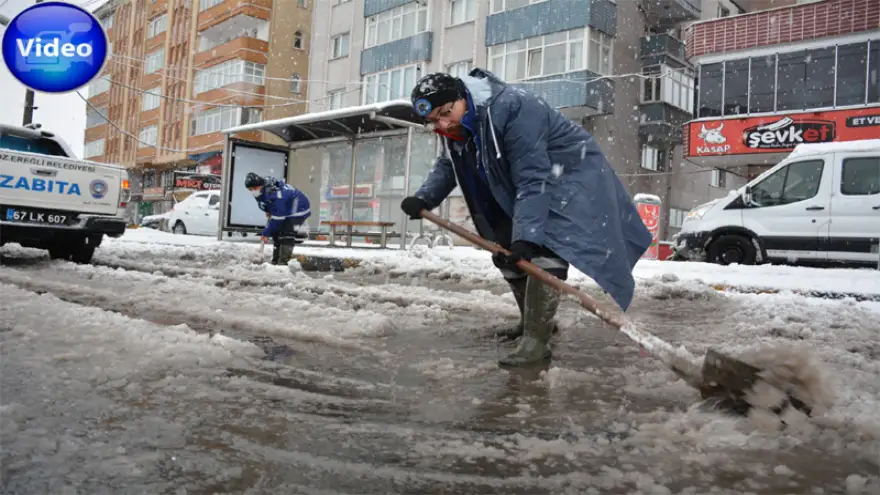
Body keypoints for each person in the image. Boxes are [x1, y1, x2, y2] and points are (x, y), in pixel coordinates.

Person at [400, 69, 652, 367]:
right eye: (434, 122)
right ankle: (530, 322)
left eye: (446, 112)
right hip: (515, 184)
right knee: (506, 249)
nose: (443, 124)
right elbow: (448, 164)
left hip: (566, 178)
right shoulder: (457, 123)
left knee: (544, 248)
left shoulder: (514, 107)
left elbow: (534, 178)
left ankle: (537, 340)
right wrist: (425, 197)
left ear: (462, 97)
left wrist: (528, 237)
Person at [244, 172, 311, 265]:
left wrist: (266, 233)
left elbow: (278, 217)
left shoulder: (275, 194)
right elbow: (267, 203)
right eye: (250, 189)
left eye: (254, 188)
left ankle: (283, 262)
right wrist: (269, 209)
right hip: (286, 208)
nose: (253, 191)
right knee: (277, 233)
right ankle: (275, 261)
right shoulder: (264, 190)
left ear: (260, 185)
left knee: (287, 233)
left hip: (299, 208)